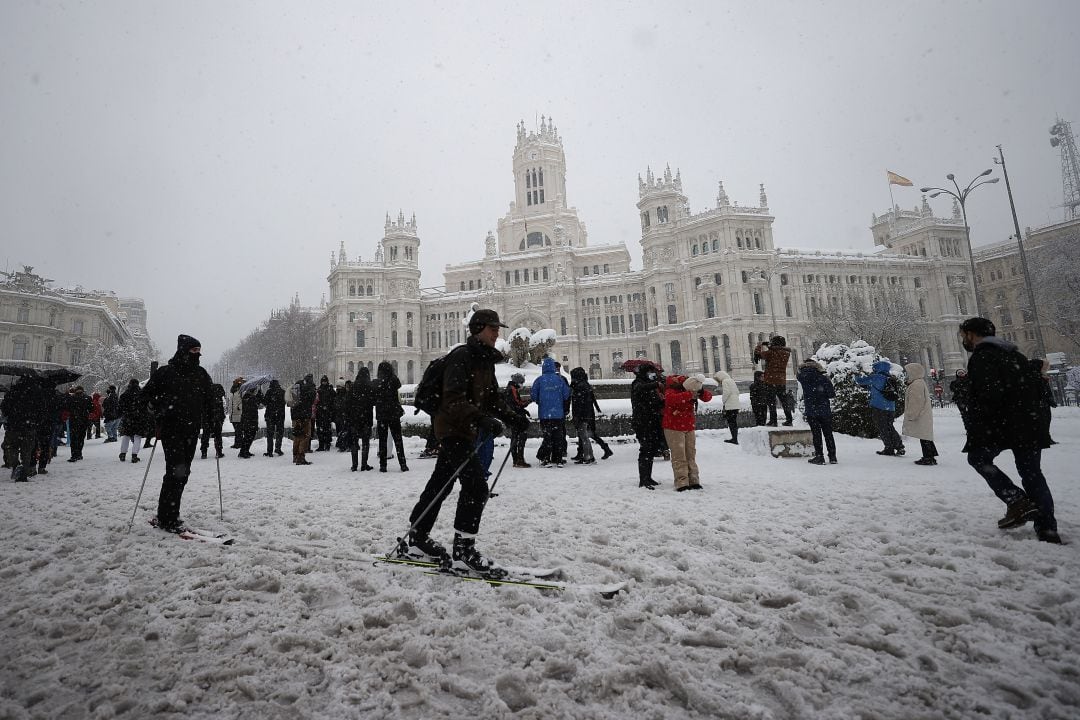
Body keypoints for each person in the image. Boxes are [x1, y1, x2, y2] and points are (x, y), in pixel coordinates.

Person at [402, 309, 526, 570]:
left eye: (497, 329)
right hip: (451, 429)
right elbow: (453, 400)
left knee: (441, 484)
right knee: (476, 487)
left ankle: (416, 537)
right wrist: (481, 419)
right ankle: (463, 551)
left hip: (463, 429)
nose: (497, 334)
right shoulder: (462, 357)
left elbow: (492, 399)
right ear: (479, 329)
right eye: (493, 329)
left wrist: (513, 416)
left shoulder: (484, 361)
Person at [959, 317, 1060, 543]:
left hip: (1005, 424)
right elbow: (1033, 386)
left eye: (964, 335)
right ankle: (1047, 529)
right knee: (1032, 474)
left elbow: (989, 395)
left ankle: (1017, 500)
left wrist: (979, 424)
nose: (963, 340)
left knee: (978, 458)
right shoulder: (1014, 355)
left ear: (971, 334)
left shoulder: (983, 356)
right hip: (1029, 424)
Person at [140, 334, 213, 532]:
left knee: (184, 471)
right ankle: (167, 517)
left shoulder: (201, 374)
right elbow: (146, 395)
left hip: (192, 429)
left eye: (199, 350)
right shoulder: (166, 372)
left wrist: (213, 416)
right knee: (175, 471)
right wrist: (158, 406)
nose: (198, 354)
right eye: (194, 350)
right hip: (171, 428)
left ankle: (171, 512)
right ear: (184, 350)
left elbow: (211, 398)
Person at [662, 374, 712, 491]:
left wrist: (701, 391)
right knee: (679, 455)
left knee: (690, 454)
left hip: (688, 425)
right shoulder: (672, 388)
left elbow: (707, 398)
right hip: (673, 426)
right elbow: (670, 400)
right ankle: (682, 482)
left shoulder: (693, 386)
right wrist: (689, 394)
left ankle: (694, 480)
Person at [1, 376, 51, 481]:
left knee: (10, 446)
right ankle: (24, 469)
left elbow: (4, 408)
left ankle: (15, 464)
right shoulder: (36, 394)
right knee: (27, 450)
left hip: (14, 426)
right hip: (29, 426)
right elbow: (42, 410)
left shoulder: (12, 392)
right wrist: (36, 422)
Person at [855, 360, 905, 456]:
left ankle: (889, 448)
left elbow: (860, 381)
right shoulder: (890, 378)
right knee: (889, 427)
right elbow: (879, 389)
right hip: (891, 408)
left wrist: (856, 373)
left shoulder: (876, 377)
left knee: (882, 428)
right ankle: (899, 446)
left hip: (879, 407)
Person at [530, 357, 572, 467]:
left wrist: (541, 400)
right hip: (558, 414)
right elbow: (566, 394)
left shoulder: (539, 380)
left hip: (544, 414)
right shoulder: (560, 379)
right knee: (558, 437)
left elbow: (533, 396)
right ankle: (558, 459)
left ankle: (546, 459)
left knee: (547, 436)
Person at [796, 359, 837, 465]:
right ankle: (832, 456)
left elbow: (798, 375)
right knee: (828, 434)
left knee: (816, 434)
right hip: (824, 410)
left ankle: (819, 456)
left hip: (811, 410)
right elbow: (831, 394)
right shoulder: (823, 378)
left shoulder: (802, 378)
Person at [630, 365, 664, 490]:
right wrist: (656, 384)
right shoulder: (638, 383)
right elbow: (640, 389)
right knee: (645, 450)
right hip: (642, 422)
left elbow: (655, 402)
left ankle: (648, 477)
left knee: (651, 450)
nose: (652, 374)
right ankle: (643, 479)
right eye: (650, 372)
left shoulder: (649, 384)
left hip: (652, 421)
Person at [569, 367, 612, 464]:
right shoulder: (584, 384)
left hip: (583, 415)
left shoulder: (580, 386)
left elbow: (580, 403)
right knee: (587, 435)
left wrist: (579, 416)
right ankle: (586, 455)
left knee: (585, 436)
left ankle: (589, 457)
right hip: (587, 414)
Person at [373, 362, 408, 472]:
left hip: (382, 414)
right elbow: (399, 385)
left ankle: (383, 465)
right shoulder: (393, 380)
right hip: (393, 413)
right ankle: (403, 464)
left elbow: (374, 396)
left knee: (382, 441)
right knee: (398, 440)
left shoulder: (377, 382)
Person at [902, 362, 938, 466]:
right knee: (925, 436)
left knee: (924, 437)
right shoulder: (919, 382)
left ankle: (928, 457)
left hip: (920, 415)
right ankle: (930, 455)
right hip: (923, 414)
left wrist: (911, 414)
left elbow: (916, 402)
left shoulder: (916, 384)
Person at [754, 336, 793, 426]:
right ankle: (789, 419)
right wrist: (770, 346)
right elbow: (777, 351)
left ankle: (773, 421)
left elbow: (758, 355)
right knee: (784, 401)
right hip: (781, 380)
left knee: (771, 402)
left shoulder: (770, 353)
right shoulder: (786, 353)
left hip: (770, 380)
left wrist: (759, 346)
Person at [346, 366, 375, 471]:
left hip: (354, 418)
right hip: (366, 417)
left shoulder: (353, 386)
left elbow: (347, 403)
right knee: (365, 442)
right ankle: (364, 464)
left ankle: (354, 465)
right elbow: (373, 401)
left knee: (354, 442)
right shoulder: (370, 386)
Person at [117, 378, 149, 463]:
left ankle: (123, 454)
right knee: (137, 436)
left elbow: (120, 407)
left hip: (128, 418)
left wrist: (124, 413)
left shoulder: (125, 394)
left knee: (126, 436)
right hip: (139, 418)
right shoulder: (141, 394)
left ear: (130, 384)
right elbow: (146, 407)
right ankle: (134, 455)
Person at [505, 373, 531, 468]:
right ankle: (519, 459)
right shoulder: (512, 389)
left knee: (515, 437)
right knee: (520, 437)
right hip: (516, 418)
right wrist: (527, 402)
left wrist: (523, 409)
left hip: (513, 416)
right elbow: (517, 403)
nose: (522, 385)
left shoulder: (510, 388)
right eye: (522, 382)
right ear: (518, 382)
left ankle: (516, 459)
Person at [291, 374, 317, 465]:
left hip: (295, 415)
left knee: (297, 435)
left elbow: (292, 400)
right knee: (305, 436)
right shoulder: (310, 387)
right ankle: (301, 457)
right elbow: (312, 400)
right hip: (304, 415)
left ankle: (295, 456)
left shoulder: (296, 386)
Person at [1030, 358, 1057, 446]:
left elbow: (1047, 390)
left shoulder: (1041, 376)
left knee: (1046, 420)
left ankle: (1046, 438)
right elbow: (1040, 391)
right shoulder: (1036, 377)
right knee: (1043, 421)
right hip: (1040, 404)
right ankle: (1043, 438)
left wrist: (1050, 399)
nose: (1046, 369)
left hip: (1044, 403)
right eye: (1044, 367)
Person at [713, 370, 742, 444]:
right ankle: (735, 438)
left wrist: (723, 400)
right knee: (734, 422)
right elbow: (737, 392)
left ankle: (734, 439)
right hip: (735, 404)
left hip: (730, 405)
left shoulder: (725, 381)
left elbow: (727, 392)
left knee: (731, 422)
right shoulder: (731, 380)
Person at [65, 386, 93, 462]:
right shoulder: (87, 398)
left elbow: (67, 408)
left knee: (74, 438)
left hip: (74, 420)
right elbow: (91, 409)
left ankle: (74, 455)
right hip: (84, 420)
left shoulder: (71, 398)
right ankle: (79, 453)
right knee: (81, 437)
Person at [201, 382, 227, 459]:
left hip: (207, 417)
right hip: (217, 417)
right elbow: (221, 408)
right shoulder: (219, 392)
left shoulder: (205, 391)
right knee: (218, 435)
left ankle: (204, 452)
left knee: (205, 435)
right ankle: (219, 452)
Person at [236, 386, 262, 458]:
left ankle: (245, 451)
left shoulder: (246, 397)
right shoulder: (251, 398)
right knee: (249, 437)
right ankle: (243, 452)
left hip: (246, 420)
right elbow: (255, 406)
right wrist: (259, 396)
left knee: (247, 436)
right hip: (251, 421)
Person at [262, 379, 286, 457]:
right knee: (279, 433)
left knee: (270, 434)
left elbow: (265, 402)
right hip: (280, 415)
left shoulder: (269, 392)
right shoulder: (283, 392)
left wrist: (262, 396)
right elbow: (285, 402)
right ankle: (278, 449)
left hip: (270, 415)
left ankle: (269, 451)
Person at [950, 369, 972, 434]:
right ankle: (968, 428)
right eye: (959, 373)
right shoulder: (954, 382)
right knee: (964, 415)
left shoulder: (969, 381)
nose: (961, 374)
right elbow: (952, 388)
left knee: (971, 414)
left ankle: (972, 427)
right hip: (960, 400)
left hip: (969, 399)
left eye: (962, 373)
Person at [228, 377, 244, 448]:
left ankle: (239, 443)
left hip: (238, 414)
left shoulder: (241, 391)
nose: (233, 384)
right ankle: (237, 443)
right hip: (233, 414)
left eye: (235, 383)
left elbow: (244, 401)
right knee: (237, 430)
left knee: (238, 430)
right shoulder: (233, 392)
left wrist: (239, 407)